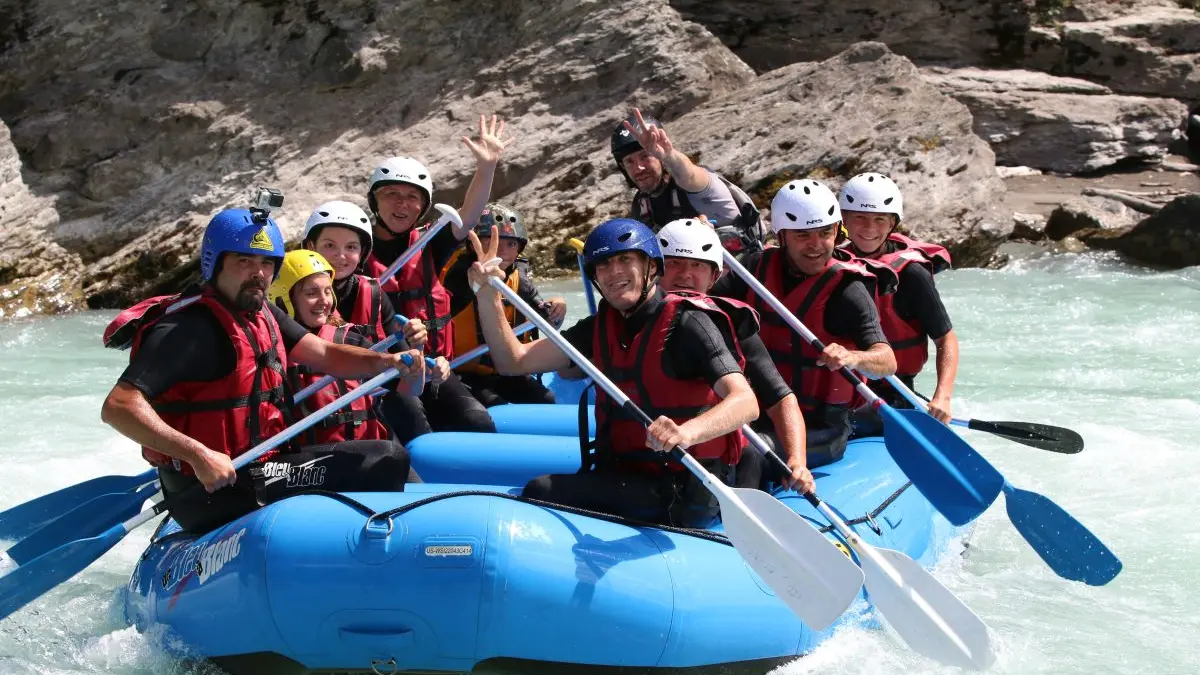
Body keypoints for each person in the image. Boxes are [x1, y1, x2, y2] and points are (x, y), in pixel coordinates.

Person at [100, 208, 423, 534]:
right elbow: (119, 407)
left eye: (267, 263)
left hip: (260, 468)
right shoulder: (187, 328)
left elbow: (325, 353)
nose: (258, 273)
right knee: (385, 459)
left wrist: (386, 362)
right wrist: (198, 455)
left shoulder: (259, 311)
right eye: (245, 261)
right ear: (216, 263)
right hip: (212, 488)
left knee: (385, 458)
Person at [467, 218, 759, 528]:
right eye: (604, 265)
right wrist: (487, 296)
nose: (614, 271)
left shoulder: (690, 323)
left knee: (540, 490)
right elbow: (514, 361)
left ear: (651, 268)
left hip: (685, 488)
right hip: (625, 474)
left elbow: (745, 402)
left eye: (625, 260)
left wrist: (687, 432)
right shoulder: (599, 327)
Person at [711, 180, 897, 466]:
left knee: (749, 453)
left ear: (837, 231)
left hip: (822, 428)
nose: (816, 246)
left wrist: (851, 357)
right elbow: (702, 306)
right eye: (803, 235)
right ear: (782, 236)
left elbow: (887, 361)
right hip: (762, 412)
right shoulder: (753, 269)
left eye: (825, 233)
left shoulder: (848, 289)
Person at [301, 200, 482, 443]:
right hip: (314, 401)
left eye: (351, 247)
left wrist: (424, 357)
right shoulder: (290, 293)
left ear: (363, 252)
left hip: (370, 393)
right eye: (329, 245)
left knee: (414, 412)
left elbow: (407, 371)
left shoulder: (374, 294)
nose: (341, 256)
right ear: (311, 246)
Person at [656, 218, 814, 495]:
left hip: (706, 461)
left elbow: (781, 398)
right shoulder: (630, 319)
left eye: (697, 266)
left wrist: (797, 460)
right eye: (674, 264)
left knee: (751, 453)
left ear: (714, 277)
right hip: (642, 461)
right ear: (654, 271)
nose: (685, 275)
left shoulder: (730, 325)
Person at [361, 114, 510, 359]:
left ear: (423, 206)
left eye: (412, 197)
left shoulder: (430, 243)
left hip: (435, 366)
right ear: (374, 201)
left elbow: (468, 217)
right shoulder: (354, 249)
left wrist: (487, 167)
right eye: (392, 193)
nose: (402, 204)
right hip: (381, 372)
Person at [268, 250, 438, 454]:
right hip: (307, 458)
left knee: (394, 456)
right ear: (282, 299)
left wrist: (417, 355)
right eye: (311, 293)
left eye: (328, 291)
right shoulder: (271, 350)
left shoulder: (348, 339)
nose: (324, 301)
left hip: (362, 450)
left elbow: (411, 389)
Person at [838, 172, 957, 423]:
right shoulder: (833, 263)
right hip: (840, 388)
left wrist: (943, 396)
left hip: (895, 392)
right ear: (844, 218)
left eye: (880, 219)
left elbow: (945, 338)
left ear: (892, 223)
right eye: (860, 217)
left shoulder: (912, 274)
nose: (870, 228)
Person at [438, 203, 566, 407]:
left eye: (511, 244)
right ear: (474, 245)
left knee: (547, 401)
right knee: (494, 406)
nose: (502, 252)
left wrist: (557, 307)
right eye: (493, 242)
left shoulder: (519, 278)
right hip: (462, 371)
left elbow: (545, 320)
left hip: (508, 370)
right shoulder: (458, 276)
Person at [612, 108, 765, 254]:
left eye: (645, 156)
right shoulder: (641, 206)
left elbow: (688, 175)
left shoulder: (695, 183)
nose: (639, 167)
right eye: (629, 162)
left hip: (745, 270)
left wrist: (667, 155)